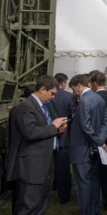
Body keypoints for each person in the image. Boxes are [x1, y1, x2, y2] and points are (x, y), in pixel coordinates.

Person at [4, 76, 67, 215]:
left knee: (36, 213)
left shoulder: (39, 107)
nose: (53, 97)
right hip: (31, 170)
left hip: (41, 168)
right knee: (27, 213)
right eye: (52, 93)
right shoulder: (25, 108)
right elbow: (31, 133)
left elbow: (41, 132)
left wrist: (57, 131)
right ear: (42, 89)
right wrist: (53, 127)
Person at [67, 73, 107, 215]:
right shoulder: (99, 99)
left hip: (81, 149)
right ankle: (96, 214)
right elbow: (106, 122)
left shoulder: (84, 101)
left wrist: (98, 141)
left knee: (83, 185)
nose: (74, 93)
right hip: (94, 149)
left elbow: (85, 126)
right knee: (94, 182)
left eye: (74, 89)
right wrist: (100, 140)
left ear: (79, 86)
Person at [89, 70, 107, 211]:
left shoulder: (93, 98)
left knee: (94, 173)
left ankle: (95, 203)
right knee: (105, 172)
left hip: (95, 139)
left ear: (94, 83)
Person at [48, 73, 74, 204]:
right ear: (63, 83)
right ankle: (64, 195)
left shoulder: (46, 96)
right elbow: (73, 118)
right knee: (63, 168)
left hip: (46, 136)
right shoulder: (69, 97)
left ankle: (52, 186)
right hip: (63, 138)